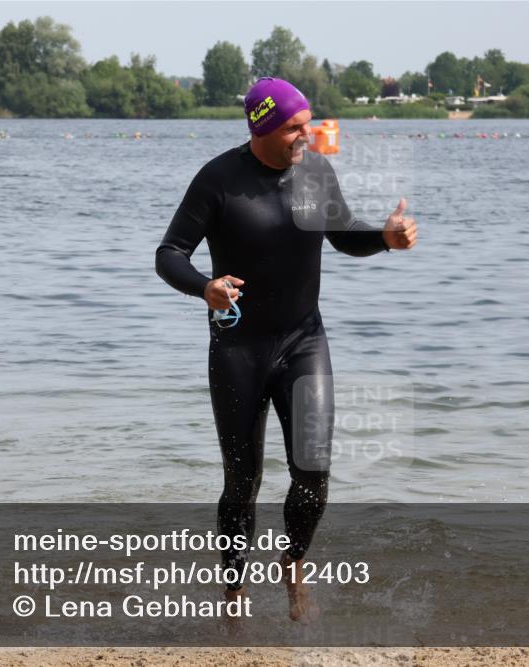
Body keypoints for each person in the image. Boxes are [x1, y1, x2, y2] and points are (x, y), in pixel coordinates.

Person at [156, 77, 417, 624]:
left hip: (304, 340)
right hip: (239, 349)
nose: (308, 133)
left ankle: (293, 562)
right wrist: (204, 285)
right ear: (263, 128)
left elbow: (343, 234)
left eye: (309, 121)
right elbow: (170, 252)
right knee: (242, 479)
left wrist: (384, 239)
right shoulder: (219, 180)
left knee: (314, 469)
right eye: (295, 126)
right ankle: (233, 596)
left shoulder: (316, 169)